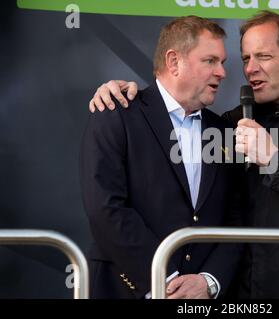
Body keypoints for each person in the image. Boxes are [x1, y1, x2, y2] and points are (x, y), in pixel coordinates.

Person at [88, 11, 279, 298]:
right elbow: (227, 215)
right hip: (243, 293)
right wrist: (122, 91)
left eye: (263, 56)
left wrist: (274, 161)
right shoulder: (230, 123)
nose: (249, 68)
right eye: (245, 58)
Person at [80, 16, 242, 299]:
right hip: (125, 289)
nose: (222, 73)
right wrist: (163, 279)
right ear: (173, 61)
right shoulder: (116, 113)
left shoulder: (225, 131)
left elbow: (237, 219)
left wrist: (208, 281)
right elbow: (105, 208)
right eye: (210, 61)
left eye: (222, 62)